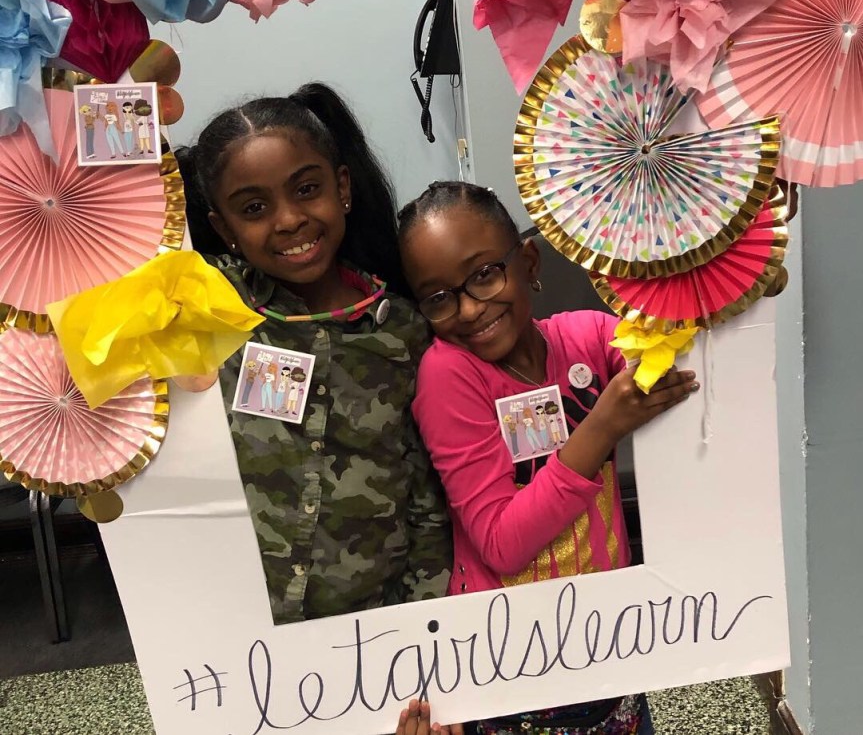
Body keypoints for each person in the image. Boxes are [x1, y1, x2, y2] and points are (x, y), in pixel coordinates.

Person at [398, 181, 699, 735]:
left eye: (485, 274)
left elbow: (672, 349)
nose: (470, 308)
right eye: (439, 298)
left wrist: (715, 250)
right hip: (512, 670)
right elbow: (501, 542)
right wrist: (601, 427)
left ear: (529, 261)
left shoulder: (586, 337)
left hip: (609, 647)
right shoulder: (448, 374)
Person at [178, 84, 452, 628]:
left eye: (306, 190)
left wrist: (422, 624)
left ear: (342, 188)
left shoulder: (402, 331)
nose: (288, 220)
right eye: (254, 208)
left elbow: (427, 495)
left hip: (377, 623)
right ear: (224, 228)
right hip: (238, 625)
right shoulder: (205, 306)